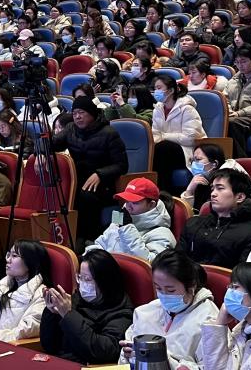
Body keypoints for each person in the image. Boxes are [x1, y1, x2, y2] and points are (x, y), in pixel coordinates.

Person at [121, 249, 219, 370]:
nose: (163, 295)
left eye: (170, 290)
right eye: (158, 288)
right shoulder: (144, 312)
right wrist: (128, 356)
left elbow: (212, 367)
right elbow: (123, 362)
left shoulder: (210, 320)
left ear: (191, 286)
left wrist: (163, 359)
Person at [51, 96, 127, 249]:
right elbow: (50, 144)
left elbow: (122, 165)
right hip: (78, 181)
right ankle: (61, 238)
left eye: (81, 112)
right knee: (59, 191)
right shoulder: (71, 129)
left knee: (85, 196)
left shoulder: (109, 133)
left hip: (105, 184)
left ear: (92, 113)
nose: (77, 117)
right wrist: (41, 154)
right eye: (74, 113)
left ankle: (85, 238)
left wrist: (100, 174)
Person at [39, 247, 131, 364]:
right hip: (61, 362)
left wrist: (68, 315)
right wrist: (52, 313)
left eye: (87, 279)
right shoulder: (77, 299)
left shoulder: (122, 313)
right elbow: (49, 346)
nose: (82, 284)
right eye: (80, 277)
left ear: (105, 282)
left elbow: (103, 351)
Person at [177, 168, 251, 268]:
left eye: (220, 188)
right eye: (212, 189)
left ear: (240, 197)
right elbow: (176, 261)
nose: (213, 194)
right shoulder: (193, 223)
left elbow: (243, 274)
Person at [89, 178, 175, 262]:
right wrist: (89, 258)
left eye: (135, 202)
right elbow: (101, 243)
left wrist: (127, 229)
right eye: (126, 201)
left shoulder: (163, 234)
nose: (128, 207)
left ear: (151, 204)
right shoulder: (121, 216)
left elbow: (149, 264)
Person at [150, 75, 203, 192]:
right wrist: (159, 138)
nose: (156, 92)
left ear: (171, 90)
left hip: (187, 150)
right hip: (165, 149)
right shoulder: (157, 109)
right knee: (154, 149)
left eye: (159, 88)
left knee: (163, 147)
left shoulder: (187, 109)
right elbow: (155, 134)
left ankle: (163, 191)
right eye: (155, 88)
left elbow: (191, 138)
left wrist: (164, 136)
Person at [179, 142, 251, 211]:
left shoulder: (230, 177)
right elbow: (188, 212)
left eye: (198, 159)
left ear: (214, 164)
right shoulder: (200, 179)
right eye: (193, 160)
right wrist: (190, 190)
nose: (194, 164)